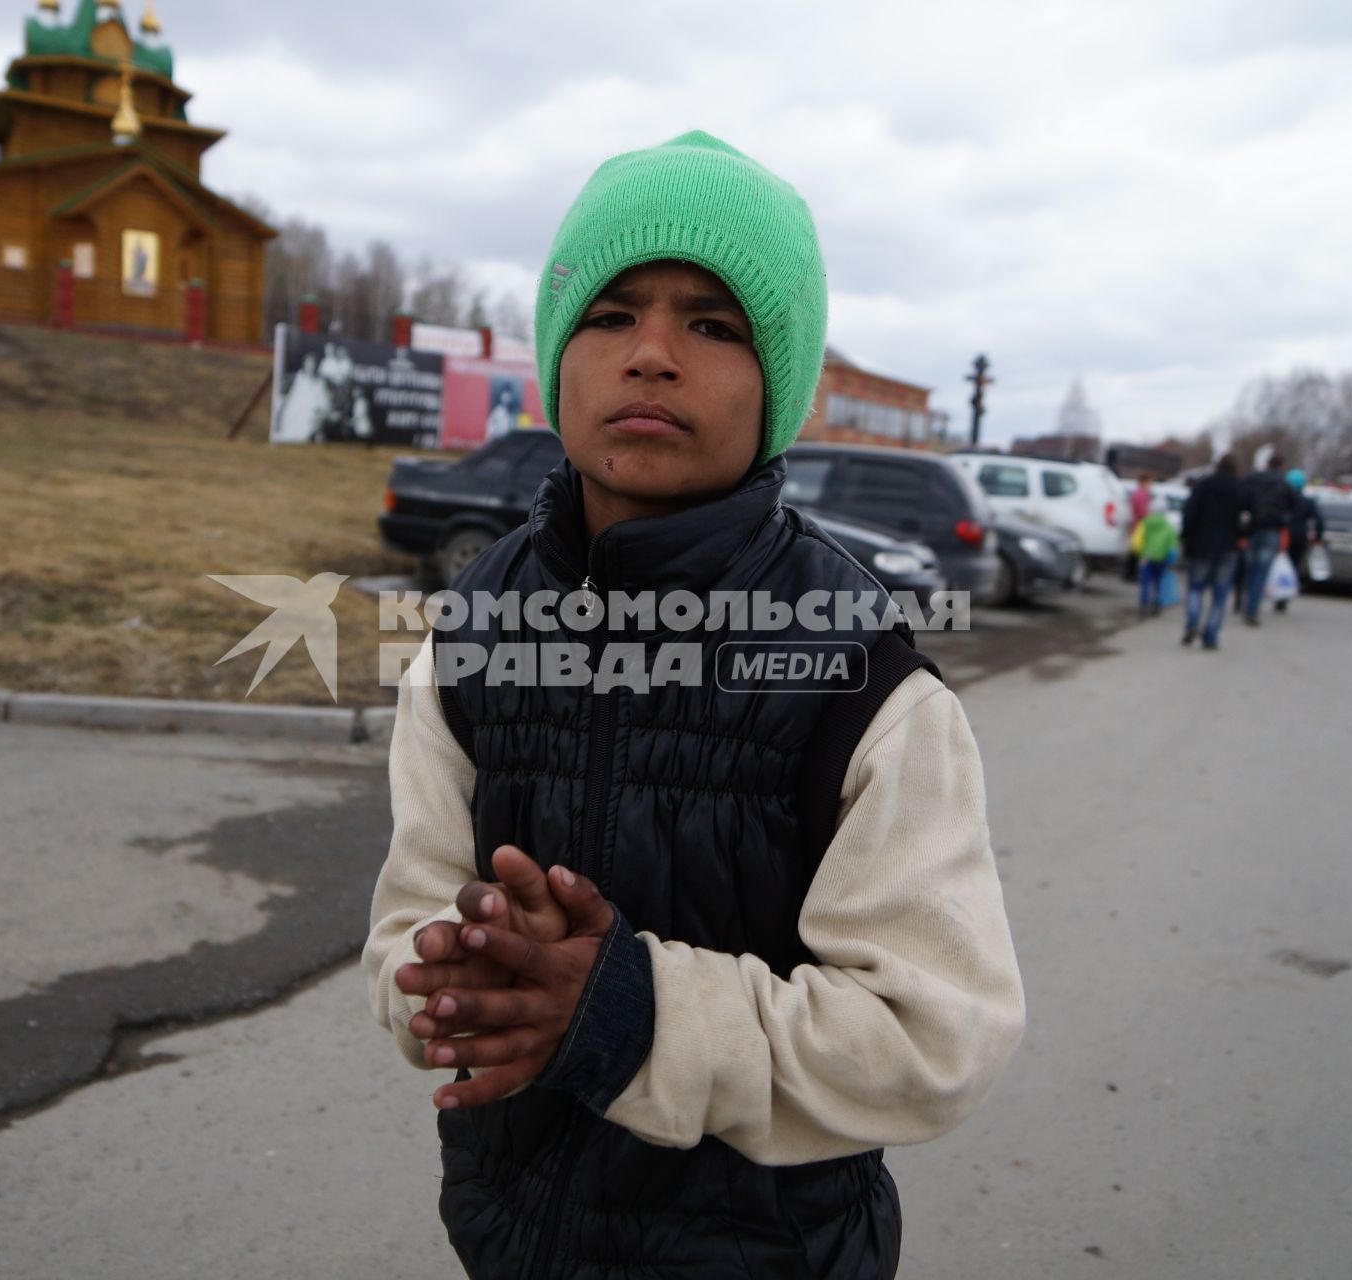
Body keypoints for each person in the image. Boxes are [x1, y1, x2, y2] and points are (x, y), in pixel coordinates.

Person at [362, 131, 1025, 1279]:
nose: (652, 354)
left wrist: (624, 1012)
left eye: (712, 325)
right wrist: (456, 977)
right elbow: (404, 923)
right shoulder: (470, 634)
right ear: (558, 358)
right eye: (611, 313)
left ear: (775, 382)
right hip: (504, 1233)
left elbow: (934, 1036)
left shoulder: (862, 680)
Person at [1180, 456, 1247, 649]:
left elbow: (1189, 512)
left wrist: (1186, 537)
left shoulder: (1203, 485)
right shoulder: (1239, 488)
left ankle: (1192, 622)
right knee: (1220, 595)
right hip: (1228, 547)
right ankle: (1210, 635)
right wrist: (1241, 536)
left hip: (1201, 545)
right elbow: (1245, 518)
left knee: (1195, 588)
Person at [1239, 452, 1296, 626]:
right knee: (1261, 572)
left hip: (1252, 529)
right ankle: (1252, 609)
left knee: (1249, 568)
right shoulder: (1284, 483)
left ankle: (1244, 603)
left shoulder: (1253, 479)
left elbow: (1241, 499)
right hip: (1271, 530)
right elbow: (1293, 504)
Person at [1275, 468, 1323, 613]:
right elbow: (1319, 521)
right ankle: (1286, 594)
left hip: (1284, 535)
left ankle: (1279, 593)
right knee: (1294, 564)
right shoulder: (1308, 502)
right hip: (1300, 537)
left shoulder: (1281, 500)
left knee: (1281, 563)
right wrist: (1317, 537)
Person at [1136, 494, 1177, 616]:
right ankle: (1157, 605)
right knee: (1158, 582)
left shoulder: (1145, 523)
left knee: (1145, 583)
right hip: (1161, 557)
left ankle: (1143, 605)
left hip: (1146, 557)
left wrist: (1141, 552)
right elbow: (1172, 545)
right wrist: (1171, 559)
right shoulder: (1168, 526)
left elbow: (1137, 540)